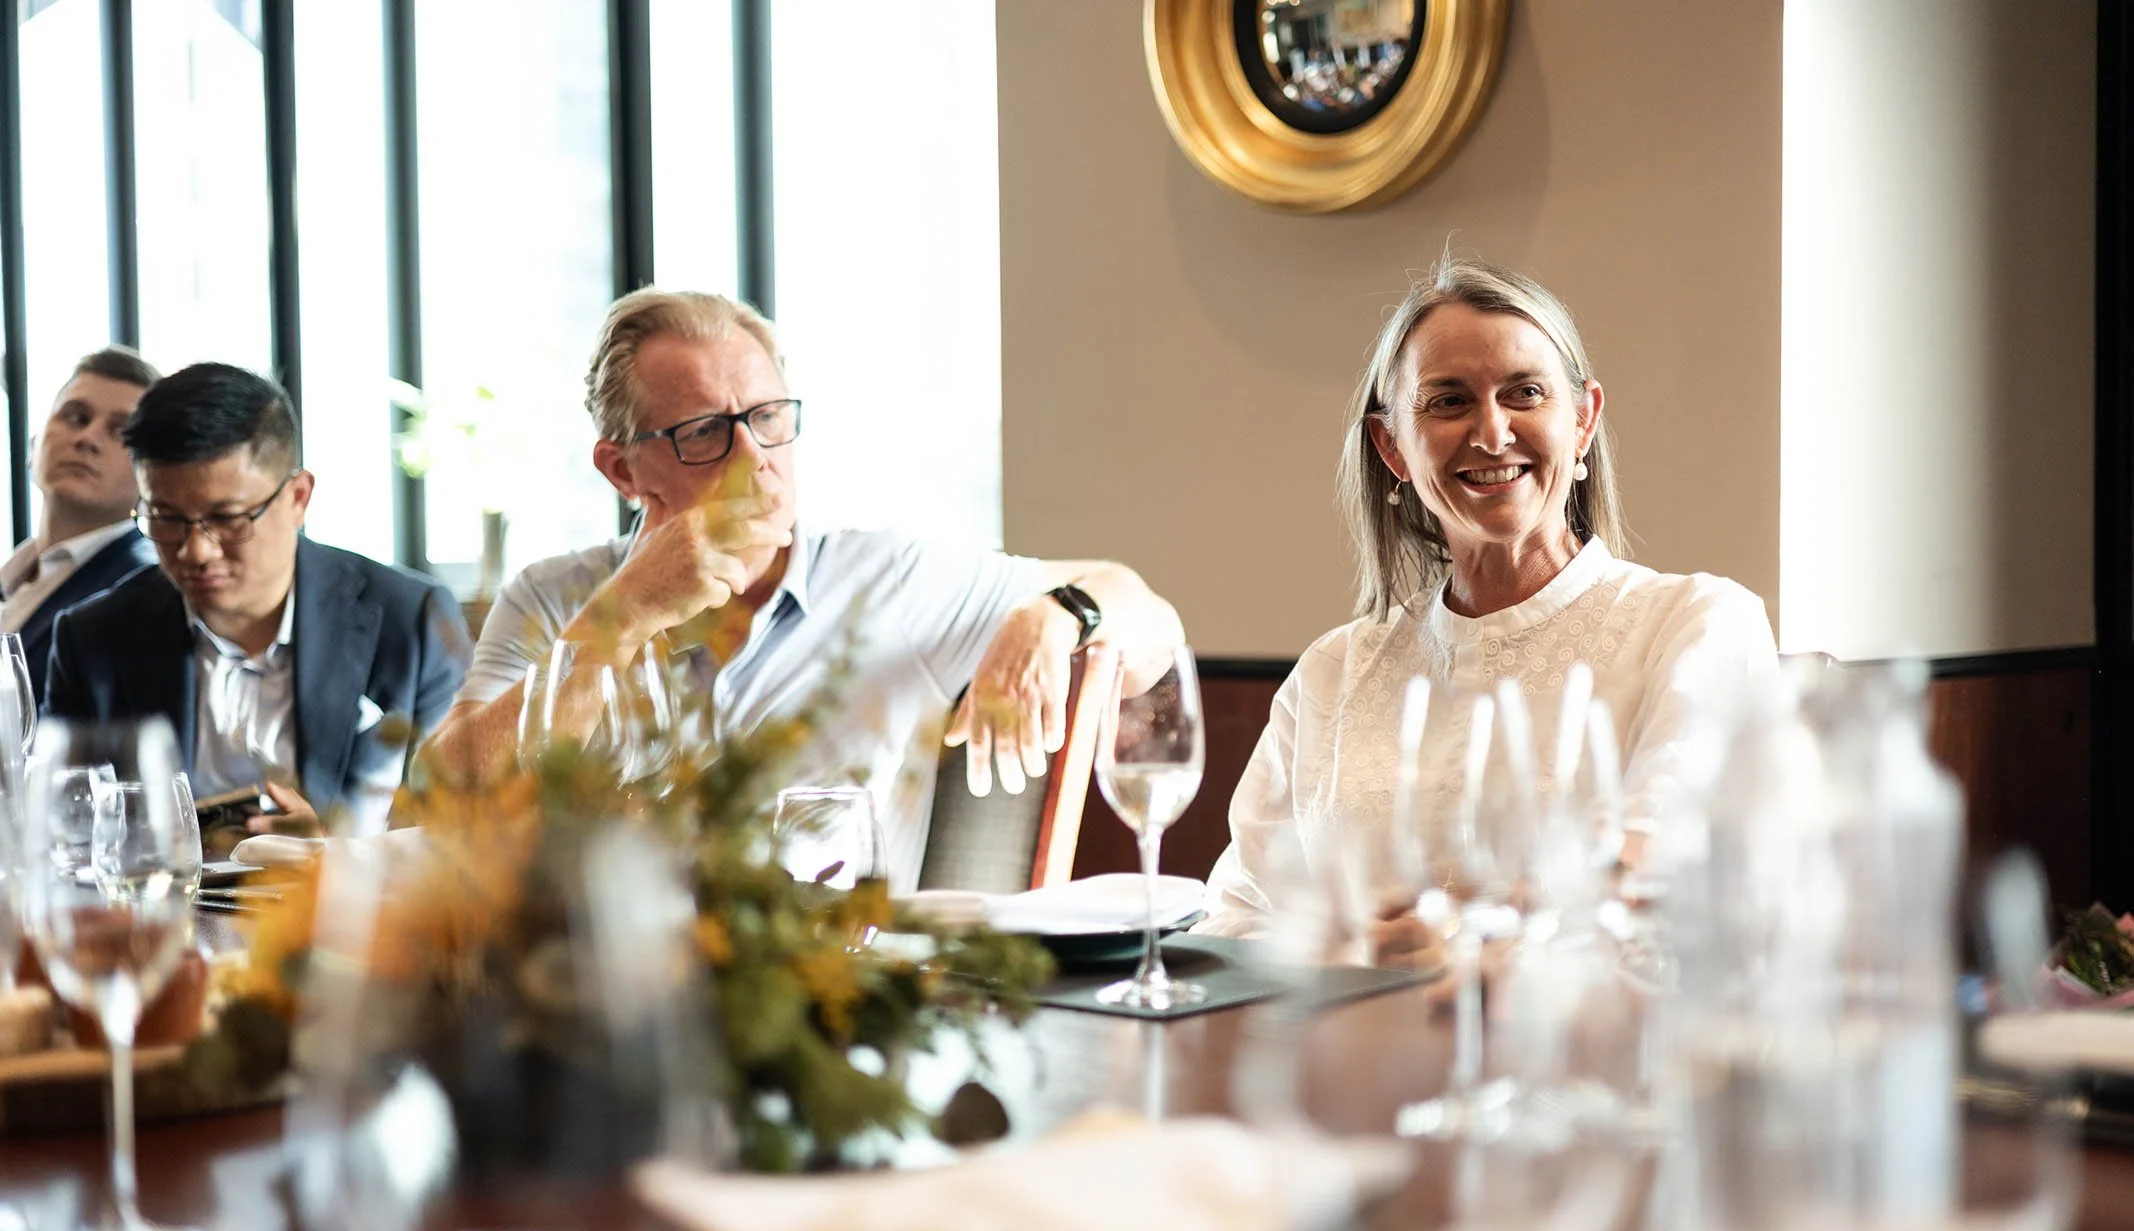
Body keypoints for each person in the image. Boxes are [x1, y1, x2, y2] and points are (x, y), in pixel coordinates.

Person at [420, 288, 1185, 891]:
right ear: (623, 470)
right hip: (592, 1018)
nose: (755, 458)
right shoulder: (556, 597)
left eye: (768, 418)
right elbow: (435, 813)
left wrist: (1057, 614)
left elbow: (1151, 625)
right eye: (705, 432)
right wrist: (624, 618)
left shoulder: (889, 580)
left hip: (828, 1018)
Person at [1200, 256, 1777, 940]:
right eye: (1448, 400)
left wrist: (1413, 946)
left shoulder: (1697, 627)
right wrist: (1345, 961)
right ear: (1392, 448)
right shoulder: (1333, 671)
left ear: (1584, 419)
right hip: (1347, 1043)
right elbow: (1236, 919)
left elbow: (1665, 879)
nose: (1493, 432)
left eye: (1525, 393)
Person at [44, 363, 472, 836]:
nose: (195, 550)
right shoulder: (94, 639)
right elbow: (64, 829)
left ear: (297, 497)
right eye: (165, 517)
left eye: (226, 518)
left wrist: (340, 857)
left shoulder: (411, 624)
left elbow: (452, 835)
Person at [2, 347, 161, 702]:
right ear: (33, 445)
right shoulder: (13, 573)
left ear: (152, 477)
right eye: (76, 417)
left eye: (121, 432)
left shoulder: (142, 590)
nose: (88, 439)